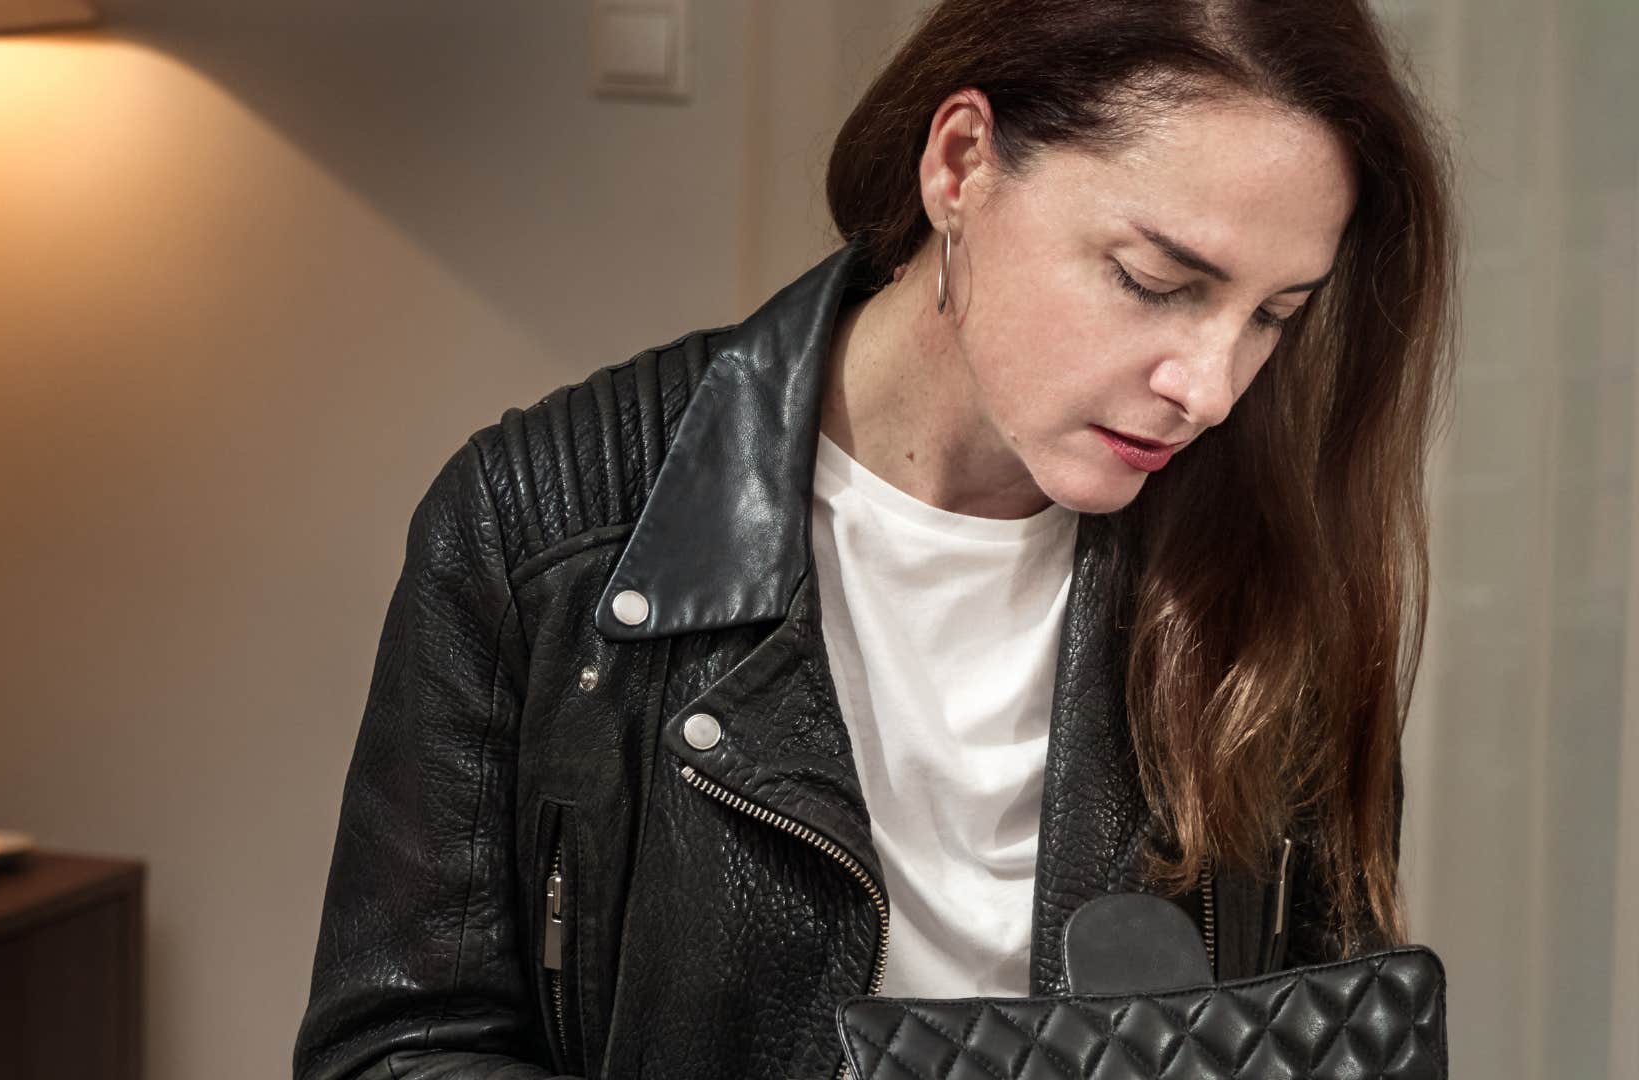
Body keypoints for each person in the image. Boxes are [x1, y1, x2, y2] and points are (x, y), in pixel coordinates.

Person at [293, 0, 1456, 1077]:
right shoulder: (546, 530)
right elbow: (395, 1053)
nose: (1209, 388)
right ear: (961, 165)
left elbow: (1330, 1033)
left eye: (1273, 315)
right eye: (1155, 281)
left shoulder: (1268, 582)